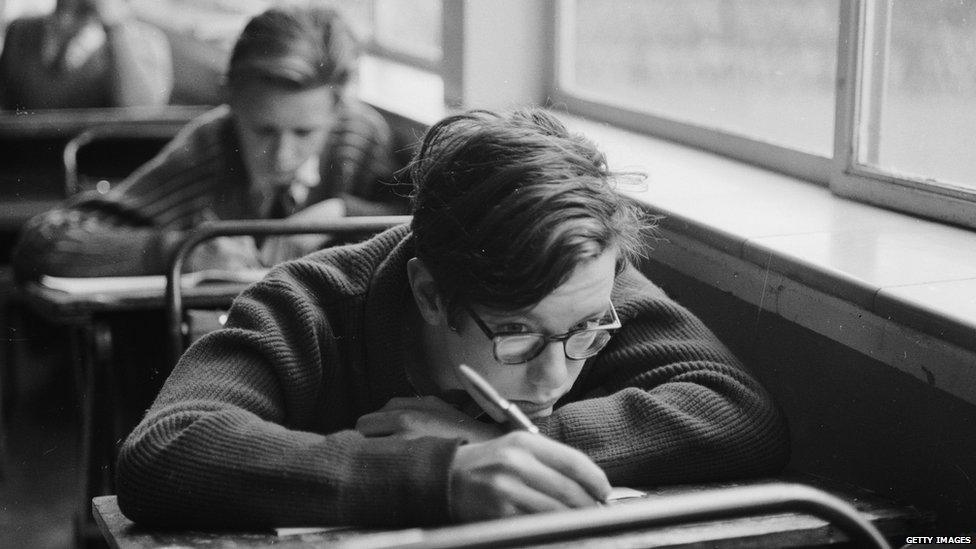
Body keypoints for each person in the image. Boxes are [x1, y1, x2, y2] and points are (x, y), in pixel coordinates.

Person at [115, 108, 790, 528]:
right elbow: (163, 452)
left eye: (585, 330)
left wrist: (514, 449)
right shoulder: (307, 303)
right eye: (518, 332)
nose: (557, 373)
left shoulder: (588, 280)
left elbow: (741, 413)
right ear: (430, 292)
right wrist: (437, 476)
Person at [12, 5, 405, 280]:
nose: (283, 156)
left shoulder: (361, 137)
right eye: (263, 132)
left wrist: (343, 213)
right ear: (230, 99)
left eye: (305, 134)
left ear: (338, 106)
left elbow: (423, 224)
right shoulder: (212, 147)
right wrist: (186, 252)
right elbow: (44, 242)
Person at [0, 0, 172, 110]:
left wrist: (115, 26)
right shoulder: (21, 30)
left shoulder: (145, 39)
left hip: (99, 161)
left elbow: (142, 114)